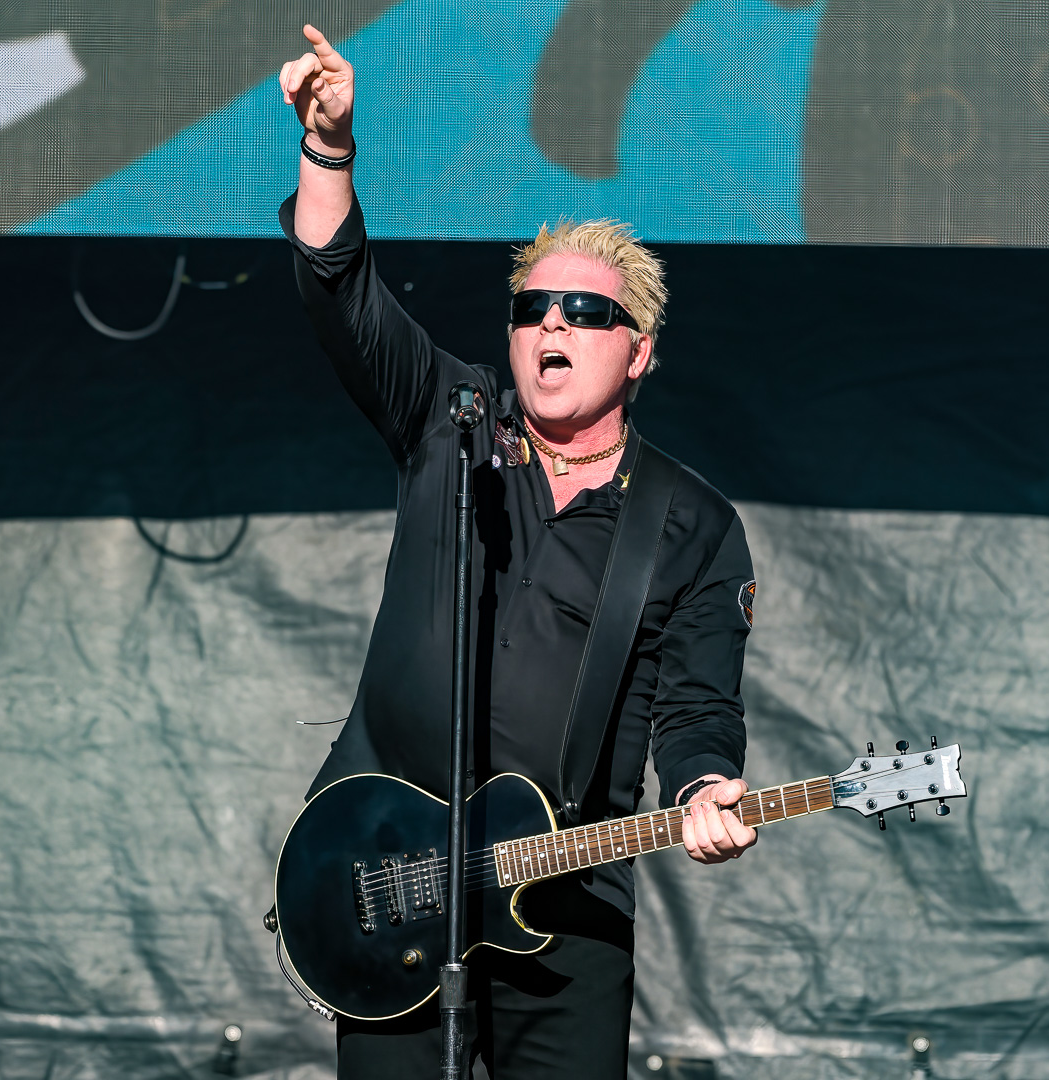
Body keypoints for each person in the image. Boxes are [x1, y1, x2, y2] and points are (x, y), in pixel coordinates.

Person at [277, 24, 758, 1079]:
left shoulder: (690, 522)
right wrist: (328, 148)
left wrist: (704, 787)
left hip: (566, 897)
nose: (552, 325)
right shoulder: (450, 422)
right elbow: (342, 295)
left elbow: (695, 705)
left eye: (585, 312)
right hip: (391, 869)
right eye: (533, 308)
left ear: (639, 351)